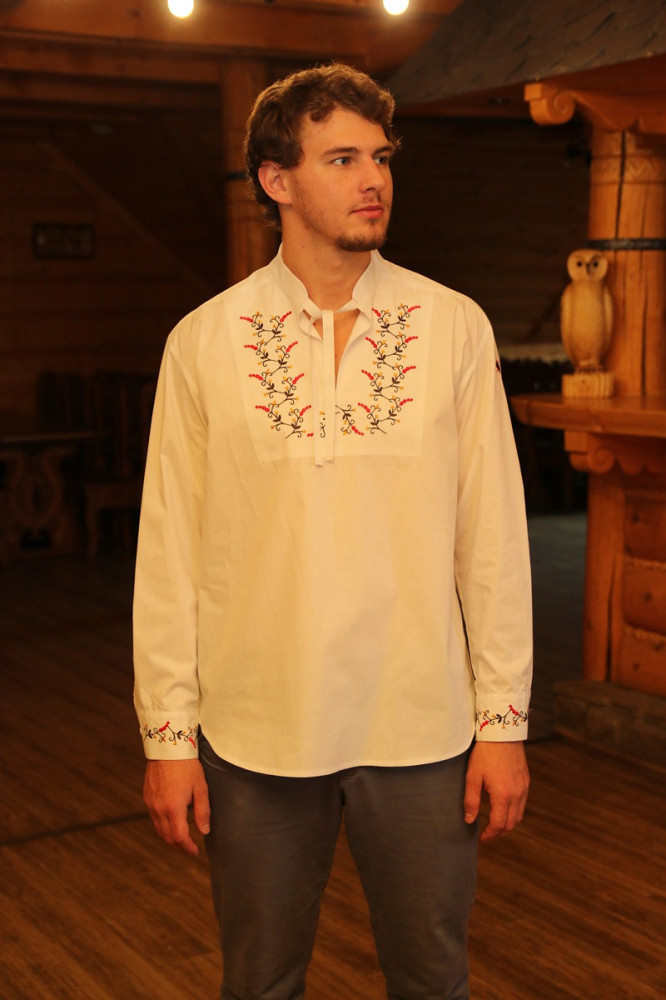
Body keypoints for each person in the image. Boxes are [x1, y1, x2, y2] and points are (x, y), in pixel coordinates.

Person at [133, 62, 532, 1000]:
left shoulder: (453, 327)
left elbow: (493, 538)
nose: (374, 179)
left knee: (432, 979)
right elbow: (170, 552)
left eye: (381, 157)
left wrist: (502, 722)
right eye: (343, 159)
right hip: (256, 729)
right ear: (276, 179)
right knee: (259, 982)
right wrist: (168, 737)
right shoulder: (204, 341)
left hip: (422, 723)